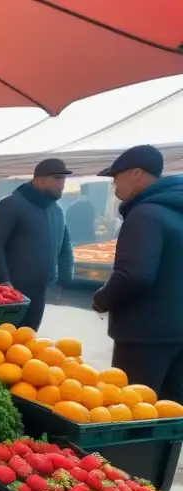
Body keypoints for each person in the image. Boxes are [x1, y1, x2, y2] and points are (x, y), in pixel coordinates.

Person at [91, 145, 183, 401]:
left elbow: (135, 274)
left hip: (145, 335)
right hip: (177, 330)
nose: (114, 186)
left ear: (136, 173)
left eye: (115, 177)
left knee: (133, 408)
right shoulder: (176, 209)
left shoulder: (146, 214)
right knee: (171, 410)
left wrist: (102, 299)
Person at [0, 158, 74, 330]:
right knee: (5, 342)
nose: (62, 185)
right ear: (40, 180)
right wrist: (3, 282)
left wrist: (64, 278)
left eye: (63, 180)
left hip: (40, 290)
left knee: (29, 339)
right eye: (57, 179)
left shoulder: (56, 210)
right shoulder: (11, 205)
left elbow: (65, 243)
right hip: (12, 293)